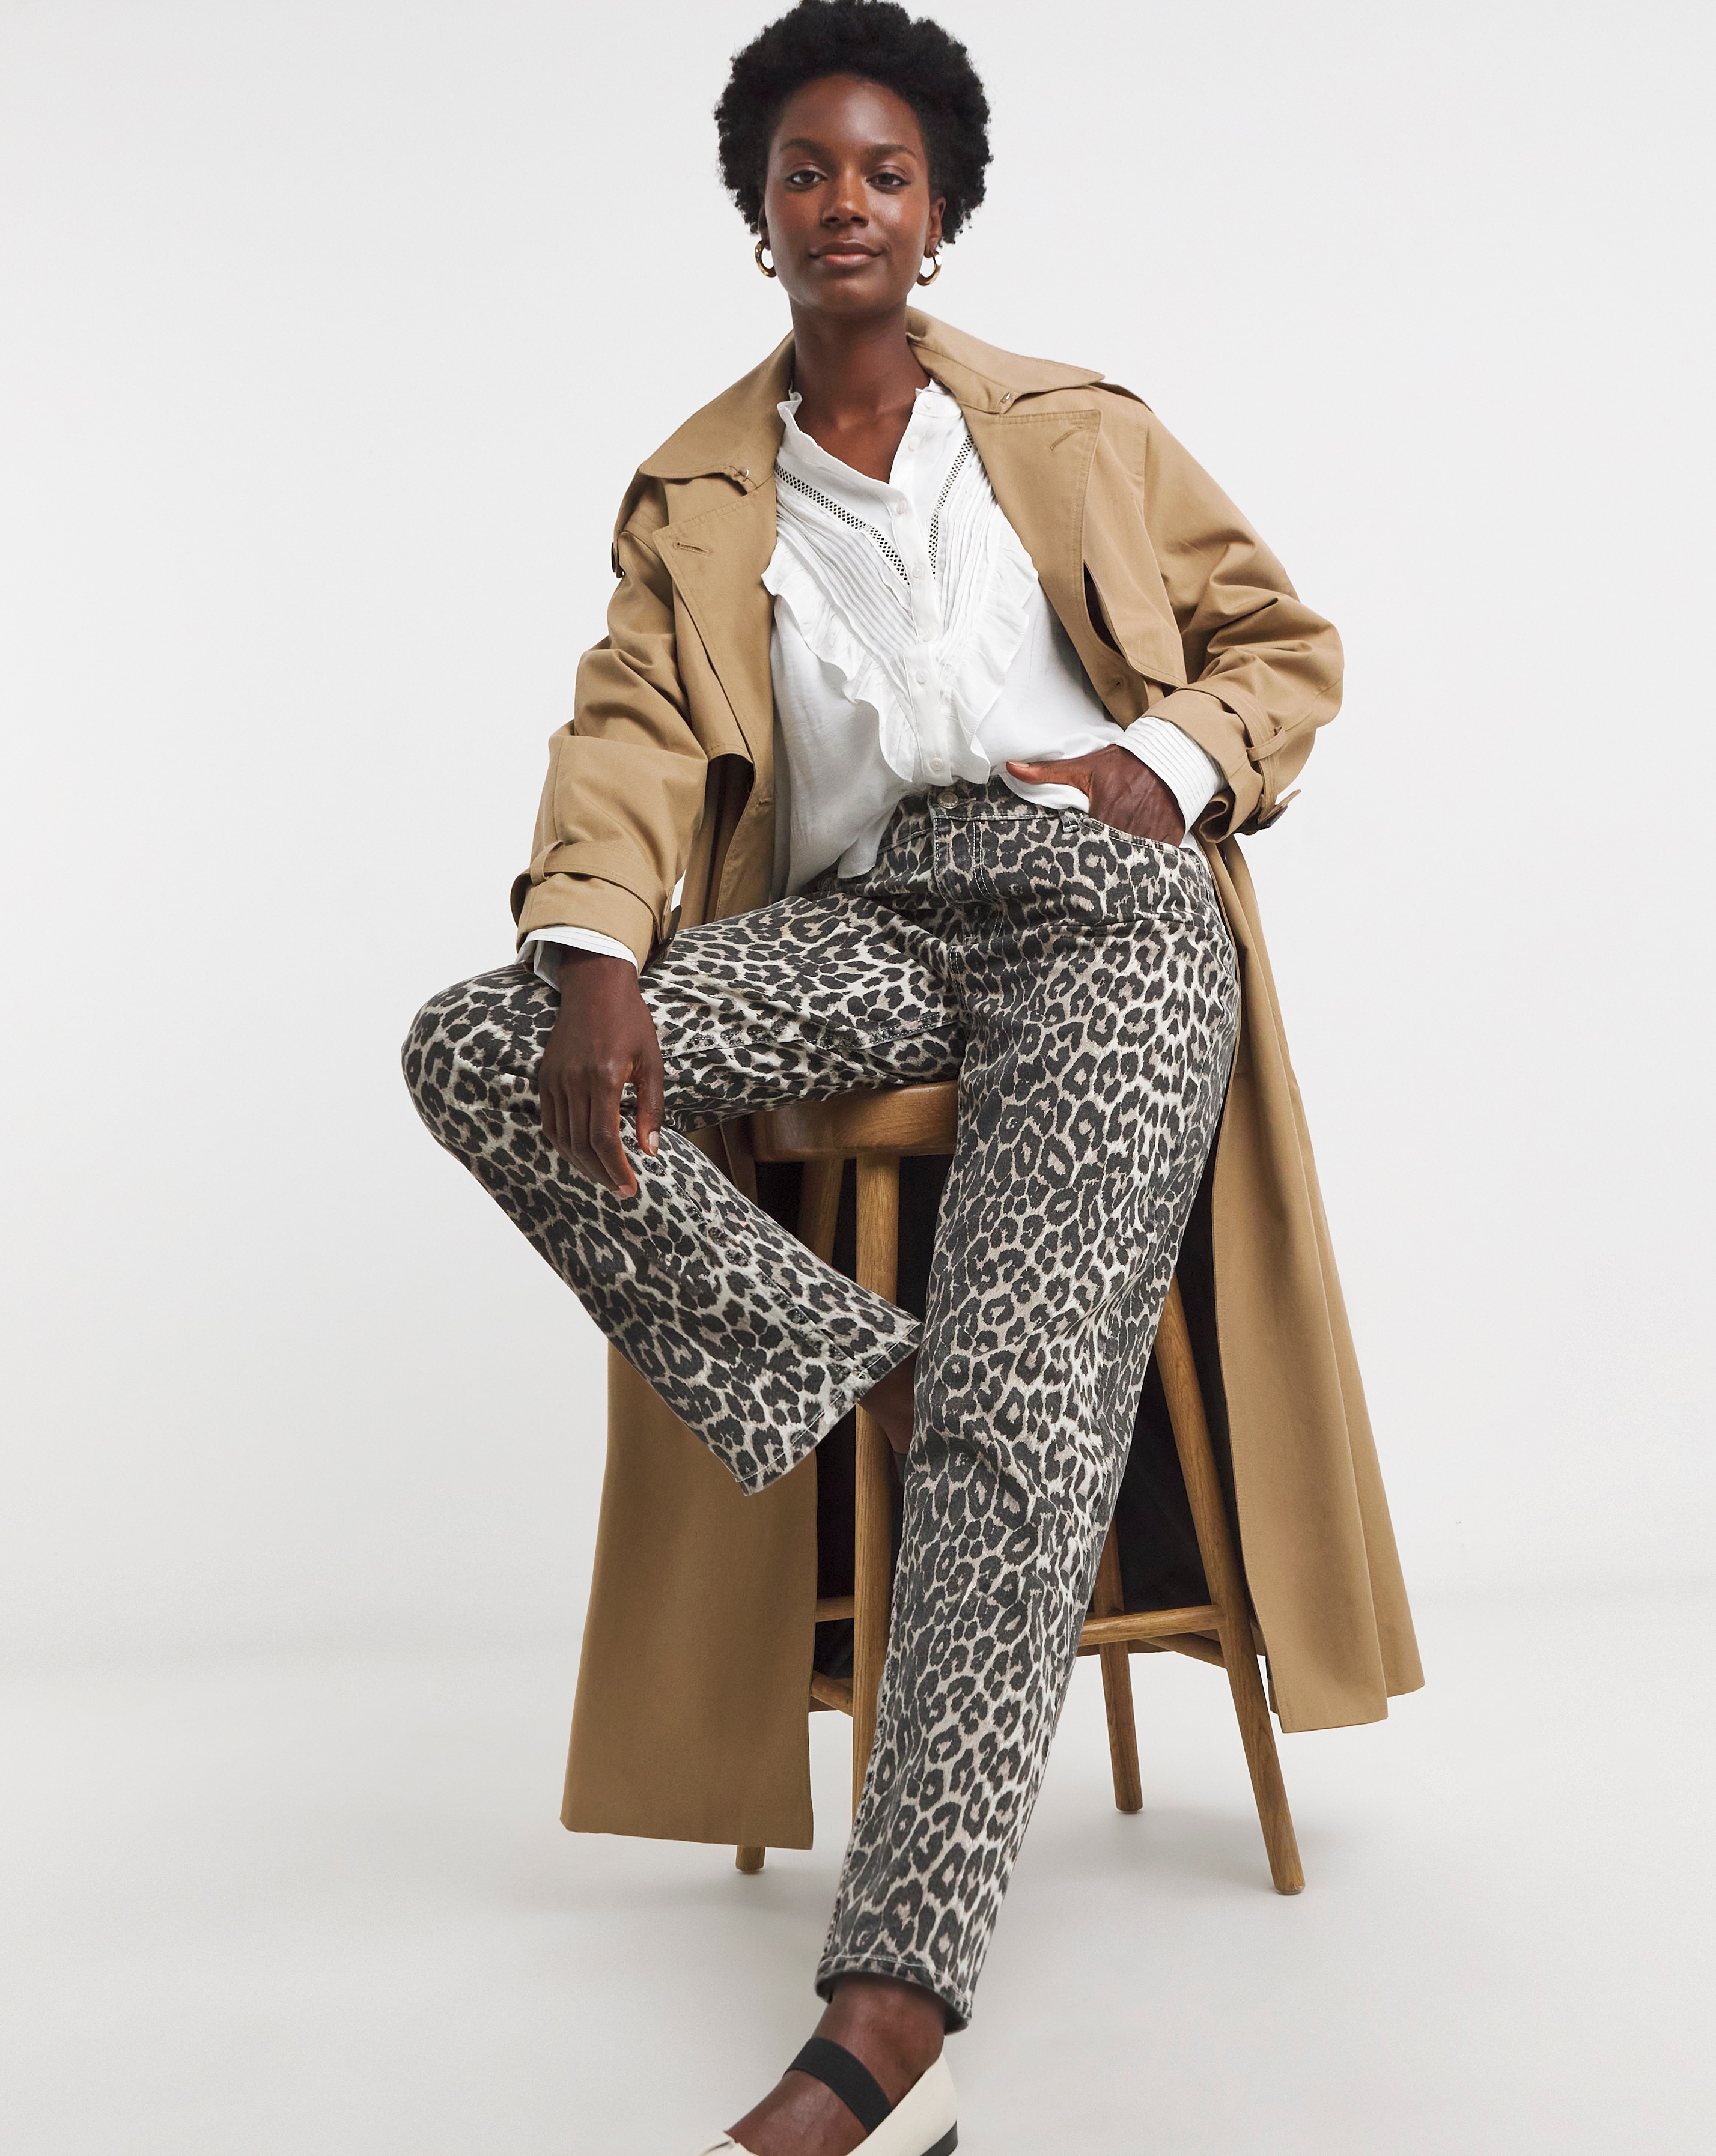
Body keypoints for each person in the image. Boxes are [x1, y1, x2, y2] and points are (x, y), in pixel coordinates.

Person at [404, 4, 1421, 2150]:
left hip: (1105, 918)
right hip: (873, 920)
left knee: (1023, 1415)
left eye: (883, 172)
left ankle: (881, 2032)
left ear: (939, 212)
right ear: (758, 212)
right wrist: (597, 952)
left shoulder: (1076, 428)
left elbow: (1281, 645)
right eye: (806, 172)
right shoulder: (698, 489)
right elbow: (627, 735)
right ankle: (880, 1375)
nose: (844, 203)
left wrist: (1161, 771)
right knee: (482, 1042)